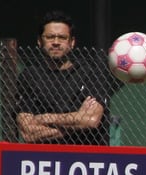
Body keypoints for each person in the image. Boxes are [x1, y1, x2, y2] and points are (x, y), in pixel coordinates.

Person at [15, 10, 120, 146]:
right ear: (40, 41)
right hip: (43, 161)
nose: (56, 42)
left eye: (62, 37)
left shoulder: (91, 75)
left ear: (72, 42)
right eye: (50, 37)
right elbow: (28, 133)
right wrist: (77, 123)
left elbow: (90, 120)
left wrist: (45, 118)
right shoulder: (29, 77)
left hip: (88, 159)